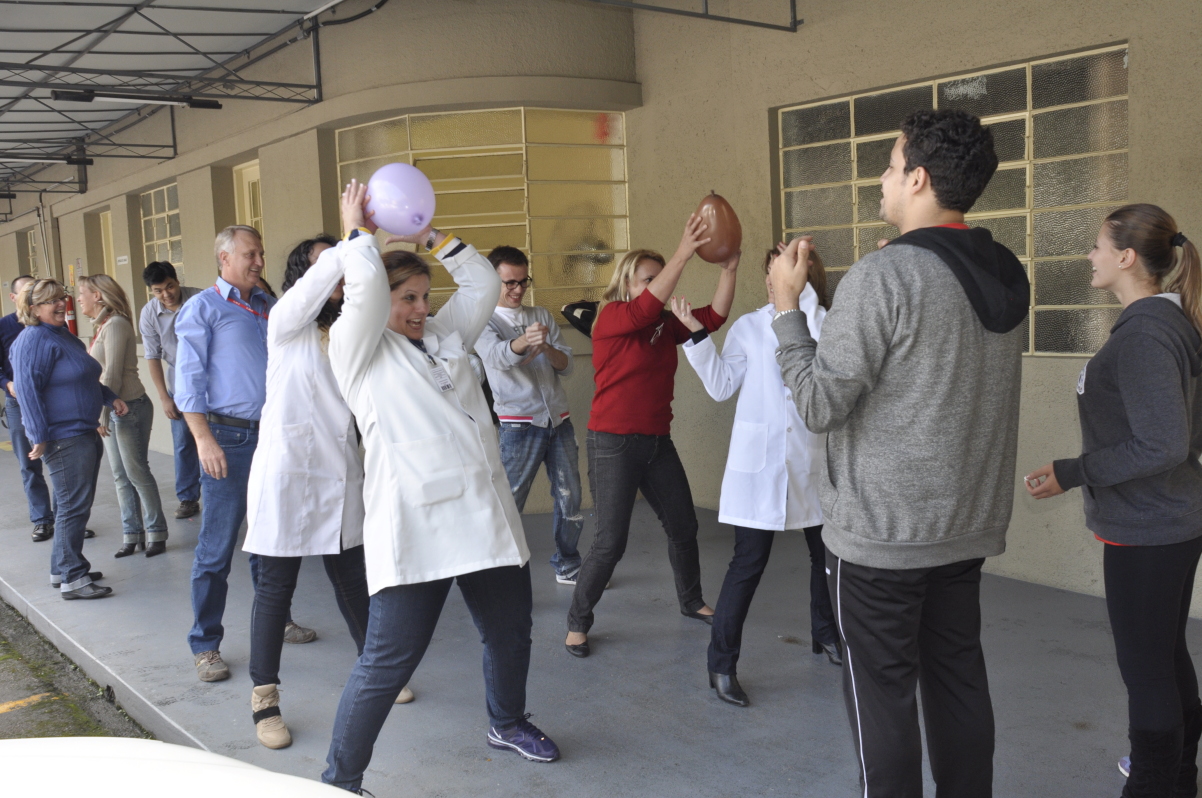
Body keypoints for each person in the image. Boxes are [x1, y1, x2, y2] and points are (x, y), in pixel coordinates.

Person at [768, 109, 1028, 797]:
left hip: (881, 537)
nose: (880, 181)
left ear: (918, 177)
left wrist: (787, 312)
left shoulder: (885, 278)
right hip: (964, 525)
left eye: (888, 167)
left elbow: (820, 403)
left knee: (881, 700)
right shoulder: (1002, 269)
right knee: (958, 682)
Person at [322, 180, 559, 793]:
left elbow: (480, 283)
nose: (421, 308)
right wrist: (358, 233)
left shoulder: (441, 337)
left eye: (425, 296)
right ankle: (339, 781)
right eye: (407, 298)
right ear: (377, 301)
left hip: (483, 517)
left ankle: (506, 721)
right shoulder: (359, 350)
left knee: (510, 631)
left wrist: (430, 236)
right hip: (417, 528)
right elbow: (367, 291)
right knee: (387, 661)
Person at [1025, 205, 1202, 798]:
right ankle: (1177, 779)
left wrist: (1074, 471)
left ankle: (1153, 784)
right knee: (1165, 656)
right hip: (1166, 523)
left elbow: (1165, 442)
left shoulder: (1149, 332)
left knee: (1147, 670)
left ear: (1127, 257)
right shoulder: (1168, 324)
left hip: (1149, 528)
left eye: (1098, 246)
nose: (1090, 256)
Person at [242, 233, 411, 751]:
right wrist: (351, 240)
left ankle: (377, 668)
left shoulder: (349, 333)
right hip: (288, 473)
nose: (336, 277)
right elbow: (312, 289)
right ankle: (264, 699)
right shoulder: (286, 325)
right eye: (325, 268)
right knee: (275, 590)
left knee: (354, 581)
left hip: (340, 473)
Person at [564, 215, 737, 659]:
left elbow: (714, 317)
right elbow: (642, 309)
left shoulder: (664, 323)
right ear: (627, 283)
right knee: (610, 543)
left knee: (683, 526)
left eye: (660, 278)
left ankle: (691, 601)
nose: (657, 286)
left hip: (657, 442)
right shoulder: (613, 317)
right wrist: (683, 249)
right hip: (613, 443)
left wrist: (728, 270)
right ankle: (577, 622)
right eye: (649, 279)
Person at [674, 246, 838, 708]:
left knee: (825, 555)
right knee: (748, 564)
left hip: (810, 461)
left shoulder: (828, 324)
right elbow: (722, 384)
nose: (770, 281)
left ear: (805, 274)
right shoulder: (748, 326)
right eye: (768, 273)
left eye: (779, 272)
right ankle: (720, 663)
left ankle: (826, 635)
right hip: (760, 466)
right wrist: (697, 336)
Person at [175, 225, 315, 683]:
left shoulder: (268, 308)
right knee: (216, 548)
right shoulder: (203, 308)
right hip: (227, 439)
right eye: (250, 254)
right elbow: (188, 382)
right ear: (224, 259)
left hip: (273, 437)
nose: (259, 261)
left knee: (270, 539)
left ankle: (276, 620)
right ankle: (206, 644)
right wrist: (203, 439)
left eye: (260, 253)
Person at [11, 278, 129, 599]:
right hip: (64, 438)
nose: (61, 304)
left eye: (62, 298)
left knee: (73, 505)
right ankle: (73, 578)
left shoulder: (61, 335)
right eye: (51, 301)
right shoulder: (33, 340)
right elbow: (27, 391)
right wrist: (37, 435)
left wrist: (108, 397)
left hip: (82, 431)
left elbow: (83, 375)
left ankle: (61, 567)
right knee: (72, 507)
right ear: (33, 309)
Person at [476, 245, 583, 585]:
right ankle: (496, 572)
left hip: (559, 421)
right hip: (519, 427)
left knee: (571, 497)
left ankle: (567, 564)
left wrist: (546, 347)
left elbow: (566, 366)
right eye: (509, 282)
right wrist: (524, 342)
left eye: (523, 281)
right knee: (510, 502)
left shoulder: (542, 315)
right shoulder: (482, 320)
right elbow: (496, 358)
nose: (517, 290)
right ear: (492, 282)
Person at [77, 274, 168, 558]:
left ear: (98, 296)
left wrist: (101, 415)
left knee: (136, 472)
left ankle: (156, 533)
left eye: (82, 293)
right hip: (113, 411)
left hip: (130, 407)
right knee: (120, 476)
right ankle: (132, 534)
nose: (78, 299)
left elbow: (113, 374)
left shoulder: (116, 324)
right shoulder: (102, 325)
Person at [139, 261, 203, 520]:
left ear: (178, 280)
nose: (166, 294)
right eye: (158, 291)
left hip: (211, 381)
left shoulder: (200, 298)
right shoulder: (149, 313)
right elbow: (152, 357)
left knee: (220, 438)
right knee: (183, 443)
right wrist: (165, 397)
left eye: (170, 286)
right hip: (179, 384)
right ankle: (188, 498)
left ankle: (224, 492)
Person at [1, 274, 55, 543]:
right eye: (26, 293)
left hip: (50, 400)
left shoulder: (50, 325)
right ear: (14, 298)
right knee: (29, 462)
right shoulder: (4, 327)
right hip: (16, 402)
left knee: (58, 461)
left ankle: (66, 517)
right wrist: (7, 383)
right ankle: (42, 520)